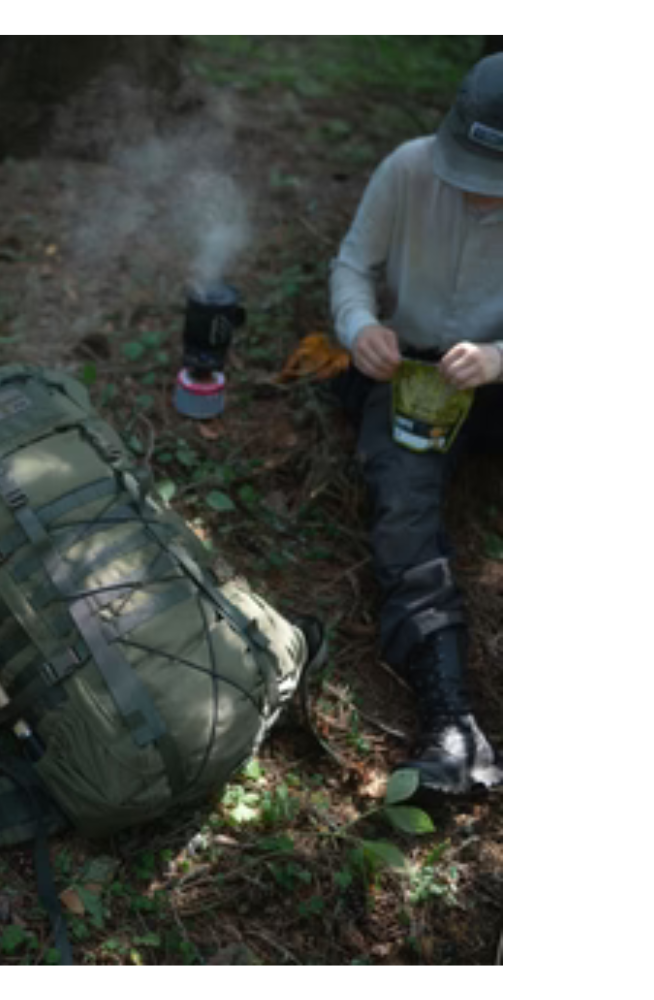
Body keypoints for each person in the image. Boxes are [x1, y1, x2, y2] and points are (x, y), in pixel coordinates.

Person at [328, 53, 503, 795]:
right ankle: (451, 722)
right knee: (404, 503)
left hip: (503, 380)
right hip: (412, 374)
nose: (479, 195)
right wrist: (361, 328)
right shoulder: (407, 169)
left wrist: (501, 358)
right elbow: (352, 266)